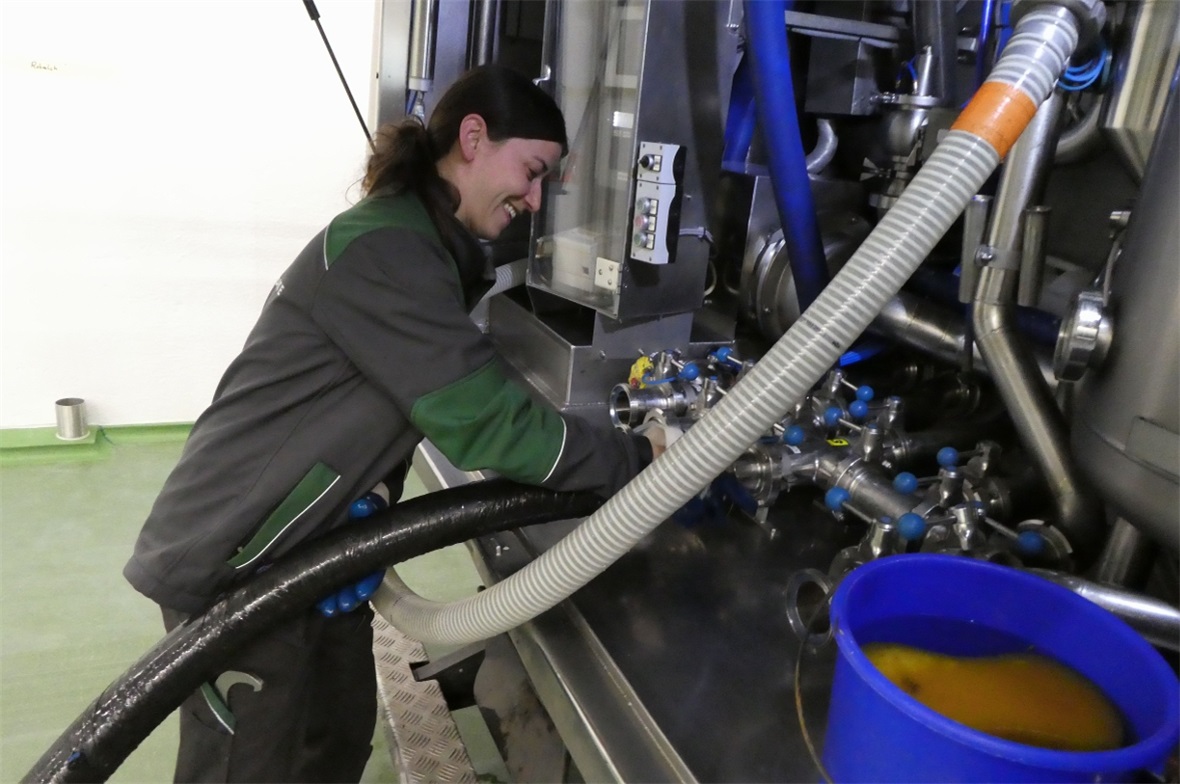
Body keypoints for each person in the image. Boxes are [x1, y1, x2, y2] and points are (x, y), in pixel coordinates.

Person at [124, 64, 659, 783]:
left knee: (335, 741)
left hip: (312, 549)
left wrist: (370, 505)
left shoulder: (423, 248)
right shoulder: (387, 248)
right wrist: (639, 458)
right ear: (473, 138)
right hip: (239, 556)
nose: (533, 200)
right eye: (531, 172)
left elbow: (365, 411)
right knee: (247, 769)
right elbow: (490, 427)